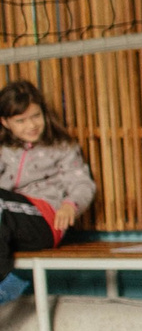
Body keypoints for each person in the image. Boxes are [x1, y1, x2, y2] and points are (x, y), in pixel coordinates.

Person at [0, 80, 96, 304]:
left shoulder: (61, 146)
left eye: (35, 116)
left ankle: (4, 283)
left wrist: (70, 204)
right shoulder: (5, 150)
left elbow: (82, 183)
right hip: (10, 225)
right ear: (4, 122)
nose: (31, 125)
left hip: (45, 219)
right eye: (20, 120)